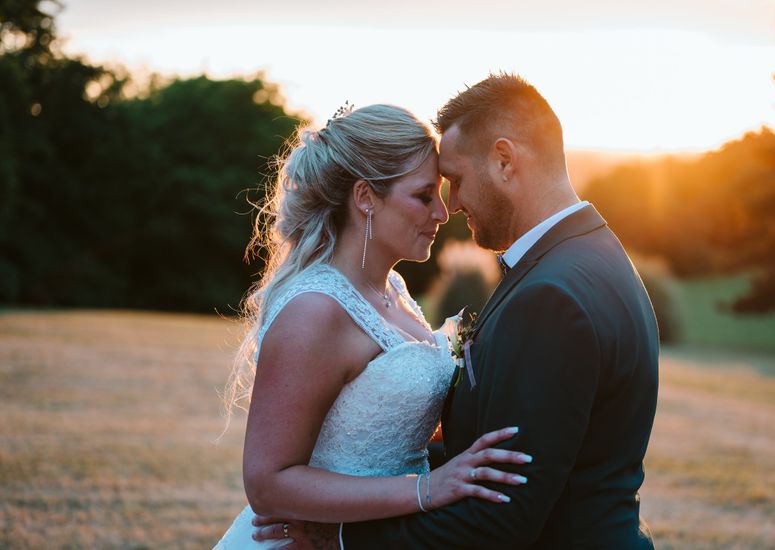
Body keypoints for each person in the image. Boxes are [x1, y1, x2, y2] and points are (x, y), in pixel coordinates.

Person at [256, 73, 660, 549]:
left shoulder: (551, 294)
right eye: (427, 193)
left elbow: (501, 514)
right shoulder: (596, 257)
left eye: (455, 182)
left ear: (505, 161)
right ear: (364, 198)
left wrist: (340, 539)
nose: (450, 207)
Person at [214, 104, 533, 549]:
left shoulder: (394, 288)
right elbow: (268, 484)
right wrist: (428, 489)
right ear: (365, 197)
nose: (442, 213)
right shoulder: (315, 309)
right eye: (424, 196)